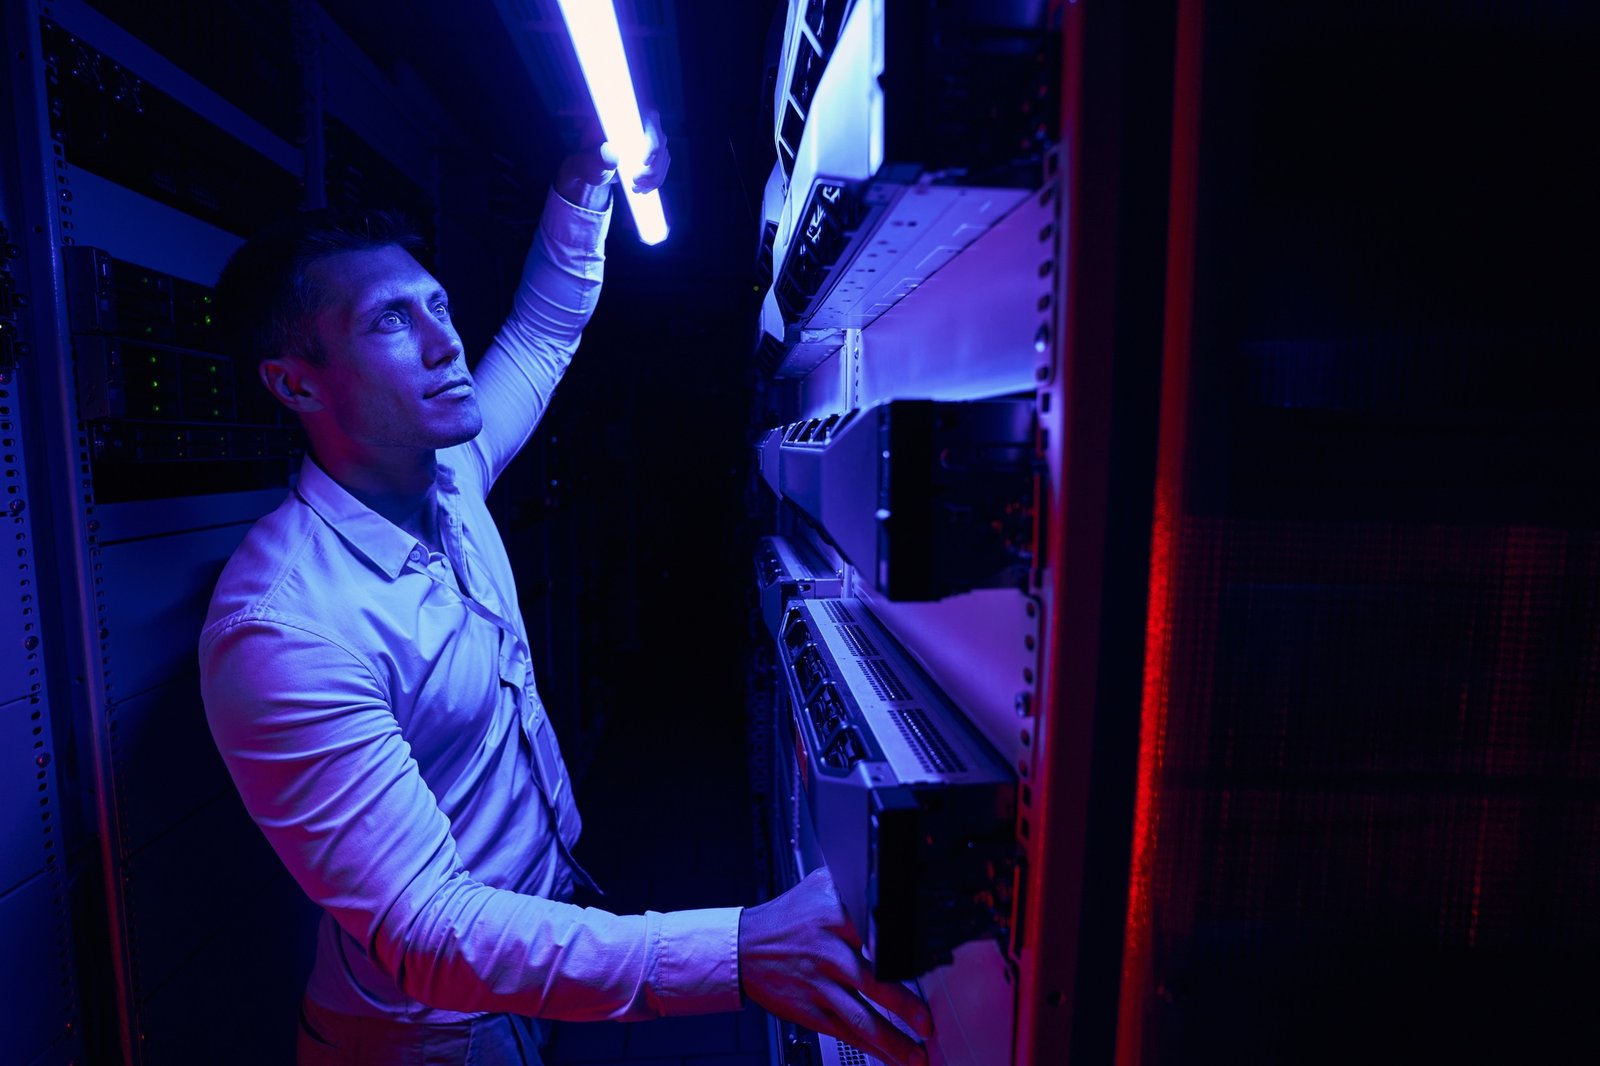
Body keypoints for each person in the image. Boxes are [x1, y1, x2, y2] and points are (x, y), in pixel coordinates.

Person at [197, 124, 932, 1066]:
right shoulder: (280, 631)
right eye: (390, 321)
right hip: (430, 1037)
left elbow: (539, 333)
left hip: (527, 968)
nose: (443, 342)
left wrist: (584, 190)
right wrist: (739, 950)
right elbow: (428, 933)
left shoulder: (447, 472)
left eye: (439, 305)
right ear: (294, 383)